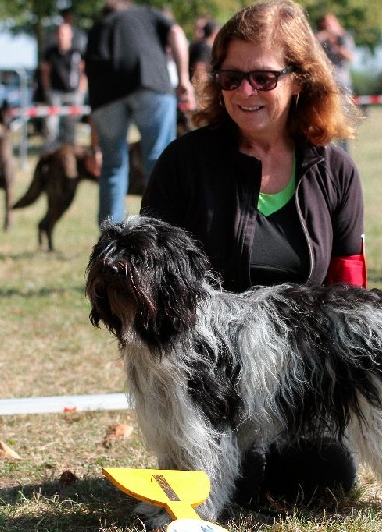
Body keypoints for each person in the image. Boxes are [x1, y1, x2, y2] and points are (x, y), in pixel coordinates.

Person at [140, 0, 365, 502]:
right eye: (230, 77)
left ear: (299, 79)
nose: (245, 92)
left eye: (263, 78)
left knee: (322, 482)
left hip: (298, 380)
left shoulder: (337, 172)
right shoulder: (182, 163)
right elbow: (144, 285)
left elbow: (349, 293)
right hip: (202, 379)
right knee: (232, 483)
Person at [84, 0, 194, 225]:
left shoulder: (97, 29)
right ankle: (163, 231)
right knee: (159, 160)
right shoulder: (146, 14)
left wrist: (95, 147)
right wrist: (184, 78)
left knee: (112, 166)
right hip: (149, 81)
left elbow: (93, 92)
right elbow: (176, 32)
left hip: (106, 95)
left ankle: (110, 238)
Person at [41, 23, 85, 151]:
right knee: (51, 126)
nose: (62, 36)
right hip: (55, 93)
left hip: (74, 93)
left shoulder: (77, 52)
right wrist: (47, 89)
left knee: (71, 127)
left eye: (65, 33)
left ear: (70, 35)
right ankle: (50, 153)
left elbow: (83, 71)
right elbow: (45, 72)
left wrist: (82, 90)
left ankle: (69, 153)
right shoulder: (50, 53)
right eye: (60, 33)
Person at [315, 11, 355, 152]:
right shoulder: (320, 38)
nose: (330, 27)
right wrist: (326, 35)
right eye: (326, 24)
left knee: (343, 120)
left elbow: (350, 57)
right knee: (326, 118)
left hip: (342, 83)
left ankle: (344, 154)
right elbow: (311, 44)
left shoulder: (344, 37)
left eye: (332, 23)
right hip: (326, 84)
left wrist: (337, 45)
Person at [188, 18, 218, 86]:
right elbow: (199, 71)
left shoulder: (201, 45)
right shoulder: (203, 47)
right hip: (197, 90)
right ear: (214, 32)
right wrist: (203, 92)